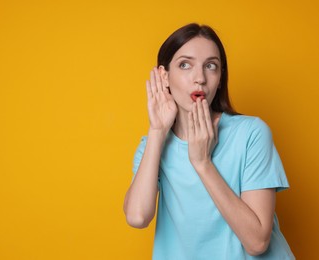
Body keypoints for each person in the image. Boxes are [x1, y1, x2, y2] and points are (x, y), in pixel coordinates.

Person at [123, 23, 295, 259]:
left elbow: (257, 242)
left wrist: (202, 162)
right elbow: (137, 217)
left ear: (220, 76)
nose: (200, 78)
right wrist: (157, 131)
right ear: (164, 76)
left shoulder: (251, 133)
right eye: (185, 65)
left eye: (210, 66)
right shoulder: (153, 145)